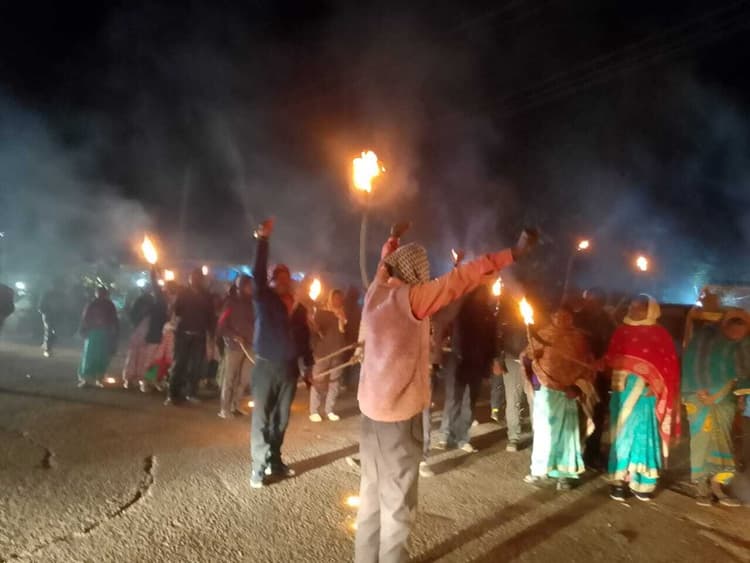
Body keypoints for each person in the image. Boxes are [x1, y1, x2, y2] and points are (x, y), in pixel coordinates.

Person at [354, 226, 534, 563]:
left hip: (370, 417)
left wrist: (391, 241)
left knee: (371, 497)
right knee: (397, 506)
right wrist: (512, 253)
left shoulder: (376, 291)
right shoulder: (412, 299)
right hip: (398, 420)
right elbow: (460, 279)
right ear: (415, 272)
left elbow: (384, 265)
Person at [249, 219, 313, 489]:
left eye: (287, 278)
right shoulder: (264, 300)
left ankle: (274, 461)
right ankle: (258, 468)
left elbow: (304, 339)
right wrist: (263, 240)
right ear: (273, 282)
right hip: (266, 368)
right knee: (262, 419)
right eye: (279, 278)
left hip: (289, 370)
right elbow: (257, 274)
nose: (284, 281)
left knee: (281, 420)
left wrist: (308, 367)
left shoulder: (299, 310)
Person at [605, 295, 680, 502]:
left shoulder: (660, 334)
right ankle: (619, 480)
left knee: (643, 434)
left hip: (648, 394)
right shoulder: (621, 331)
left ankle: (643, 481)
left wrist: (657, 385)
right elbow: (611, 357)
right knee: (622, 434)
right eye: (631, 306)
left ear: (650, 310)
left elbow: (669, 366)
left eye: (639, 308)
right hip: (622, 391)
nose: (633, 310)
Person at [682, 309, 750, 507]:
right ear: (725, 325)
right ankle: (701, 485)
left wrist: (741, 395)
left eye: (742, 333)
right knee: (702, 439)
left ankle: (717, 486)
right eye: (733, 331)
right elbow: (692, 361)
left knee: (724, 441)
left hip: (726, 401)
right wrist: (700, 388)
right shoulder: (706, 338)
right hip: (698, 396)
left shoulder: (745, 345)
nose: (736, 336)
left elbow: (745, 373)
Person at [522, 307, 595, 491]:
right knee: (544, 432)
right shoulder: (542, 335)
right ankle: (540, 470)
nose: (561, 318)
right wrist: (532, 356)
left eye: (566, 315)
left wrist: (577, 388)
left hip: (569, 393)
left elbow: (588, 367)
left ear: (571, 318)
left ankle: (564, 475)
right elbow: (528, 358)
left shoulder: (579, 339)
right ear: (552, 317)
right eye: (557, 315)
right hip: (546, 391)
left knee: (567, 434)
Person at [442, 281, 496, 453]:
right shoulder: (462, 311)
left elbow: (492, 342)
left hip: (475, 364)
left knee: (469, 402)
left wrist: (488, 364)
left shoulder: (488, 315)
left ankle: (461, 437)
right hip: (460, 362)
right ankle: (449, 435)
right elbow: (453, 332)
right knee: (455, 400)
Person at [574, 287, 616, 470]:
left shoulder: (607, 320)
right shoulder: (576, 319)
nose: (593, 304)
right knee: (579, 416)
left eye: (597, 300)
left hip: (600, 375)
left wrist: (604, 359)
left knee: (598, 414)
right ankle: (574, 455)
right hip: (579, 376)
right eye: (590, 300)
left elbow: (613, 345)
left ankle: (592, 453)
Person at [165, 269, 215, 406]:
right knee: (179, 364)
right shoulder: (183, 293)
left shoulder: (206, 296)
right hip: (183, 334)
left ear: (201, 279)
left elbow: (210, 317)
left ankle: (191, 393)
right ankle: (172, 394)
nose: (195, 280)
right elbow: (176, 311)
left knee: (195, 367)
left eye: (198, 278)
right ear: (189, 279)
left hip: (199, 336)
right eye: (193, 277)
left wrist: (211, 335)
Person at [490, 295, 532, 452]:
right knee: (513, 400)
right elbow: (497, 339)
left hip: (532, 364)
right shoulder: (505, 315)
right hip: (512, 362)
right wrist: (497, 360)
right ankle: (514, 437)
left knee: (534, 401)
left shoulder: (534, 313)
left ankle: (539, 435)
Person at [216, 274, 255, 419]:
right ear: (241, 286)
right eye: (249, 285)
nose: (251, 288)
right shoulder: (230, 303)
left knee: (244, 379)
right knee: (230, 377)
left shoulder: (252, 303)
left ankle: (236, 405)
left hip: (250, 346)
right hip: (234, 346)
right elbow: (221, 325)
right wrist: (233, 336)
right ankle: (224, 408)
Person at [309, 289, 348, 422]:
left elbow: (345, 332)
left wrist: (341, 318)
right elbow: (315, 331)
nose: (338, 300)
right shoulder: (321, 313)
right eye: (335, 298)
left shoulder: (344, 314)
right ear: (330, 299)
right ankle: (314, 411)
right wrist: (314, 326)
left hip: (338, 353)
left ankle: (329, 410)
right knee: (318, 382)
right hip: (322, 353)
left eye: (340, 298)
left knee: (335, 382)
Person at [77, 286, 119, 388]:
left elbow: (114, 319)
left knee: (101, 356)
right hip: (93, 333)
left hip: (104, 333)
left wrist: (113, 331)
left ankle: (99, 378)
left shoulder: (109, 305)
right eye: (99, 293)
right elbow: (85, 318)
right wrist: (84, 329)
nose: (100, 295)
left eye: (102, 293)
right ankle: (86, 379)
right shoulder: (92, 304)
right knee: (89, 356)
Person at [39, 281, 66, 357]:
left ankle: (47, 345)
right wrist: (44, 311)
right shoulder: (48, 294)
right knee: (49, 331)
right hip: (49, 315)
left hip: (57, 316)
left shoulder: (61, 295)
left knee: (54, 332)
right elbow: (42, 305)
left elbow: (64, 306)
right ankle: (47, 349)